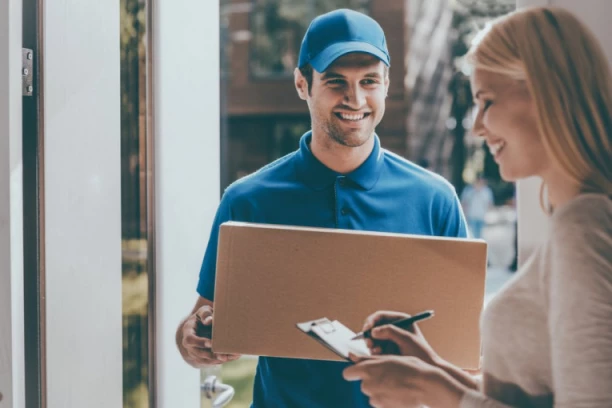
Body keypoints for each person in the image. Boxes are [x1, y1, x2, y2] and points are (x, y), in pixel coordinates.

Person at [175, 8, 468, 408]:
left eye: (369, 81)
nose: (356, 99)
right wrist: (193, 338)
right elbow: (201, 319)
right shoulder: (247, 200)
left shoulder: (435, 200)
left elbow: (466, 351)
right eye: (336, 82)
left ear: (386, 84)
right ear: (302, 84)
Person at [343, 6, 612, 408]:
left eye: (486, 101)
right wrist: (430, 365)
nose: (476, 126)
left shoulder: (584, 226)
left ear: (546, 91)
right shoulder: (576, 223)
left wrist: (432, 391)